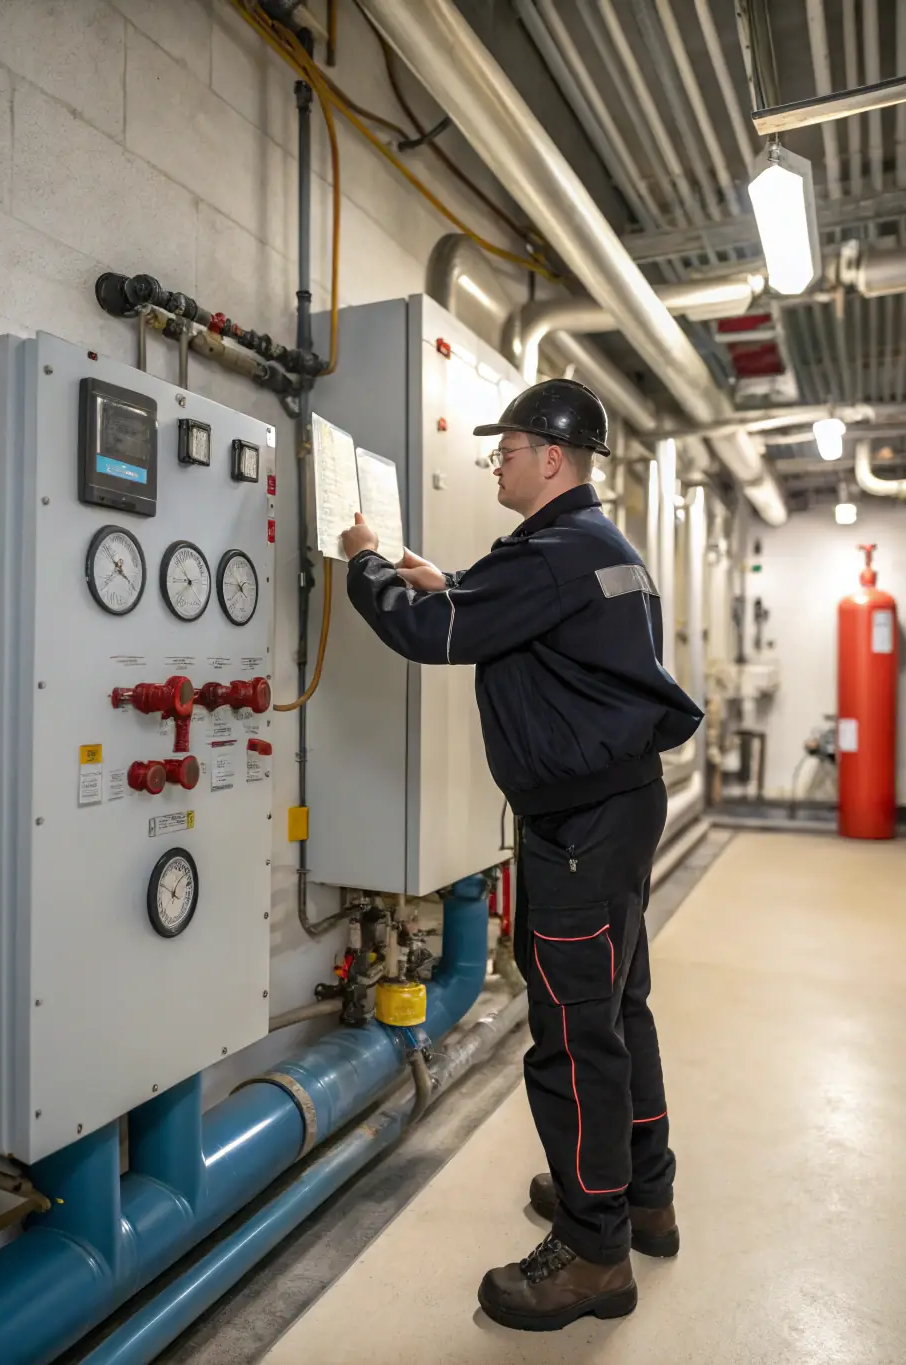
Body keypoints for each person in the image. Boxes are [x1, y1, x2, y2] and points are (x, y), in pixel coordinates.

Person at [340, 377, 702, 1334]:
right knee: (620, 1004)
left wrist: (365, 561)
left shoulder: (549, 553)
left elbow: (427, 634)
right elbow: (517, 617)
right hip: (623, 805)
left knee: (576, 1032)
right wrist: (449, 582)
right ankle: (642, 1197)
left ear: (551, 457)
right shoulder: (598, 546)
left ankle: (593, 1252)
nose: (495, 460)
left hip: (579, 826)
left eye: (506, 449)